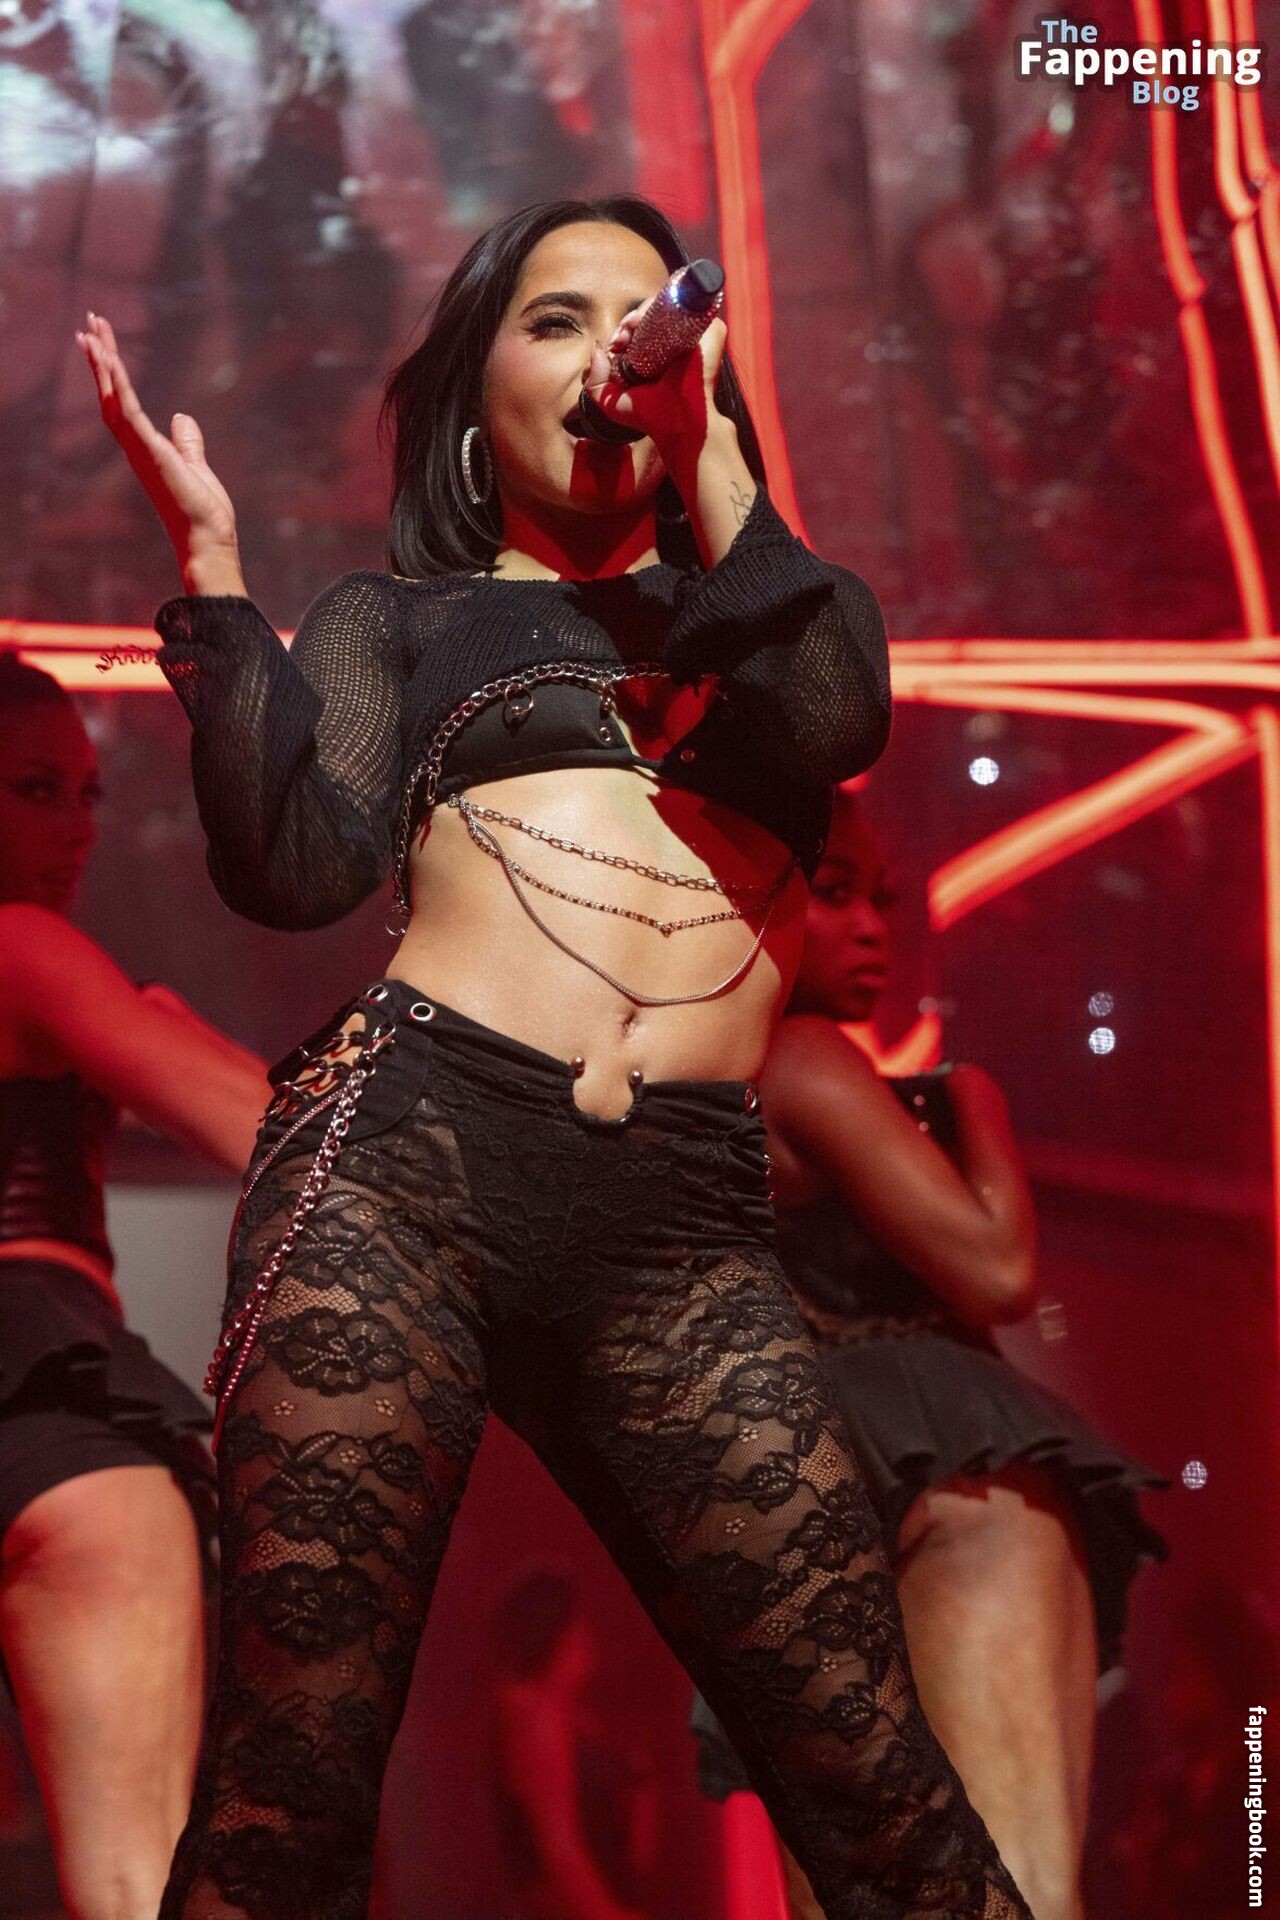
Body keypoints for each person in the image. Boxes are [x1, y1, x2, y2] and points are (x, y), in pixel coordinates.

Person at [80, 191, 1033, 1920]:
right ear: (475, 396)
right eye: (554, 320)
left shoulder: (765, 620)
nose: (607, 352)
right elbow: (290, 869)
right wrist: (214, 575)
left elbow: (836, 718)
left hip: (680, 1240)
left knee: (885, 1809)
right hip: (406, 1173)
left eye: (639, 321)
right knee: (292, 1793)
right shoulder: (407, 620)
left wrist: (704, 439)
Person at [693, 789, 1167, 1920]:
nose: (872, 929)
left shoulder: (689, 1083)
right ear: (756, 901)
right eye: (838, 895)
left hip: (787, 1491)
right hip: (950, 1472)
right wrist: (979, 1108)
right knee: (1023, 1889)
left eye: (885, 901)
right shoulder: (805, 1054)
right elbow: (996, 1273)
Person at [0, 651, 270, 1920]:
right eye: (33, 790)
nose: (76, 830)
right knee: (134, 1884)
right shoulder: (22, 945)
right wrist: (177, 1038)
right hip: (45, 1396)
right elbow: (266, 1139)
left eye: (87, 795)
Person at [489, 1566, 656, 1920]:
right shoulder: (532, 1714)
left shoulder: (572, 1716)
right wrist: (606, 1915)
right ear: (554, 1631)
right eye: (578, 1621)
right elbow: (557, 1844)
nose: (588, 1633)